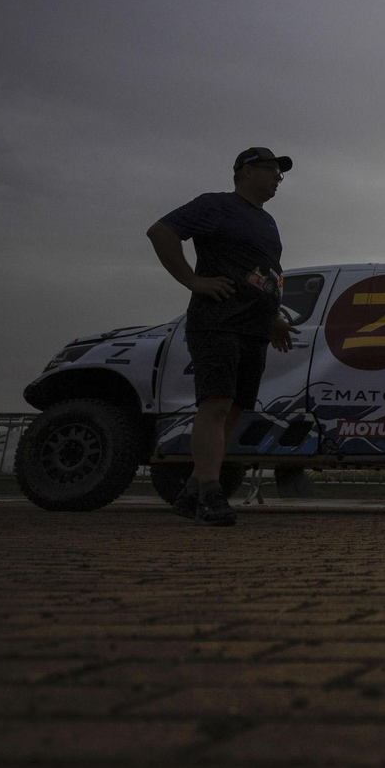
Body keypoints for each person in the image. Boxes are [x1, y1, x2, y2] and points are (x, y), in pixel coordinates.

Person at [146, 147, 296, 526]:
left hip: (254, 327)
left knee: (232, 410)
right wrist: (192, 280)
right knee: (215, 404)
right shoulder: (216, 205)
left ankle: (194, 492)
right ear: (247, 171)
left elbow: (264, 273)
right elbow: (161, 231)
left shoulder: (268, 222)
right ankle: (211, 491)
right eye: (272, 169)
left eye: (281, 172)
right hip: (218, 321)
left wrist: (275, 316)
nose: (279, 177)